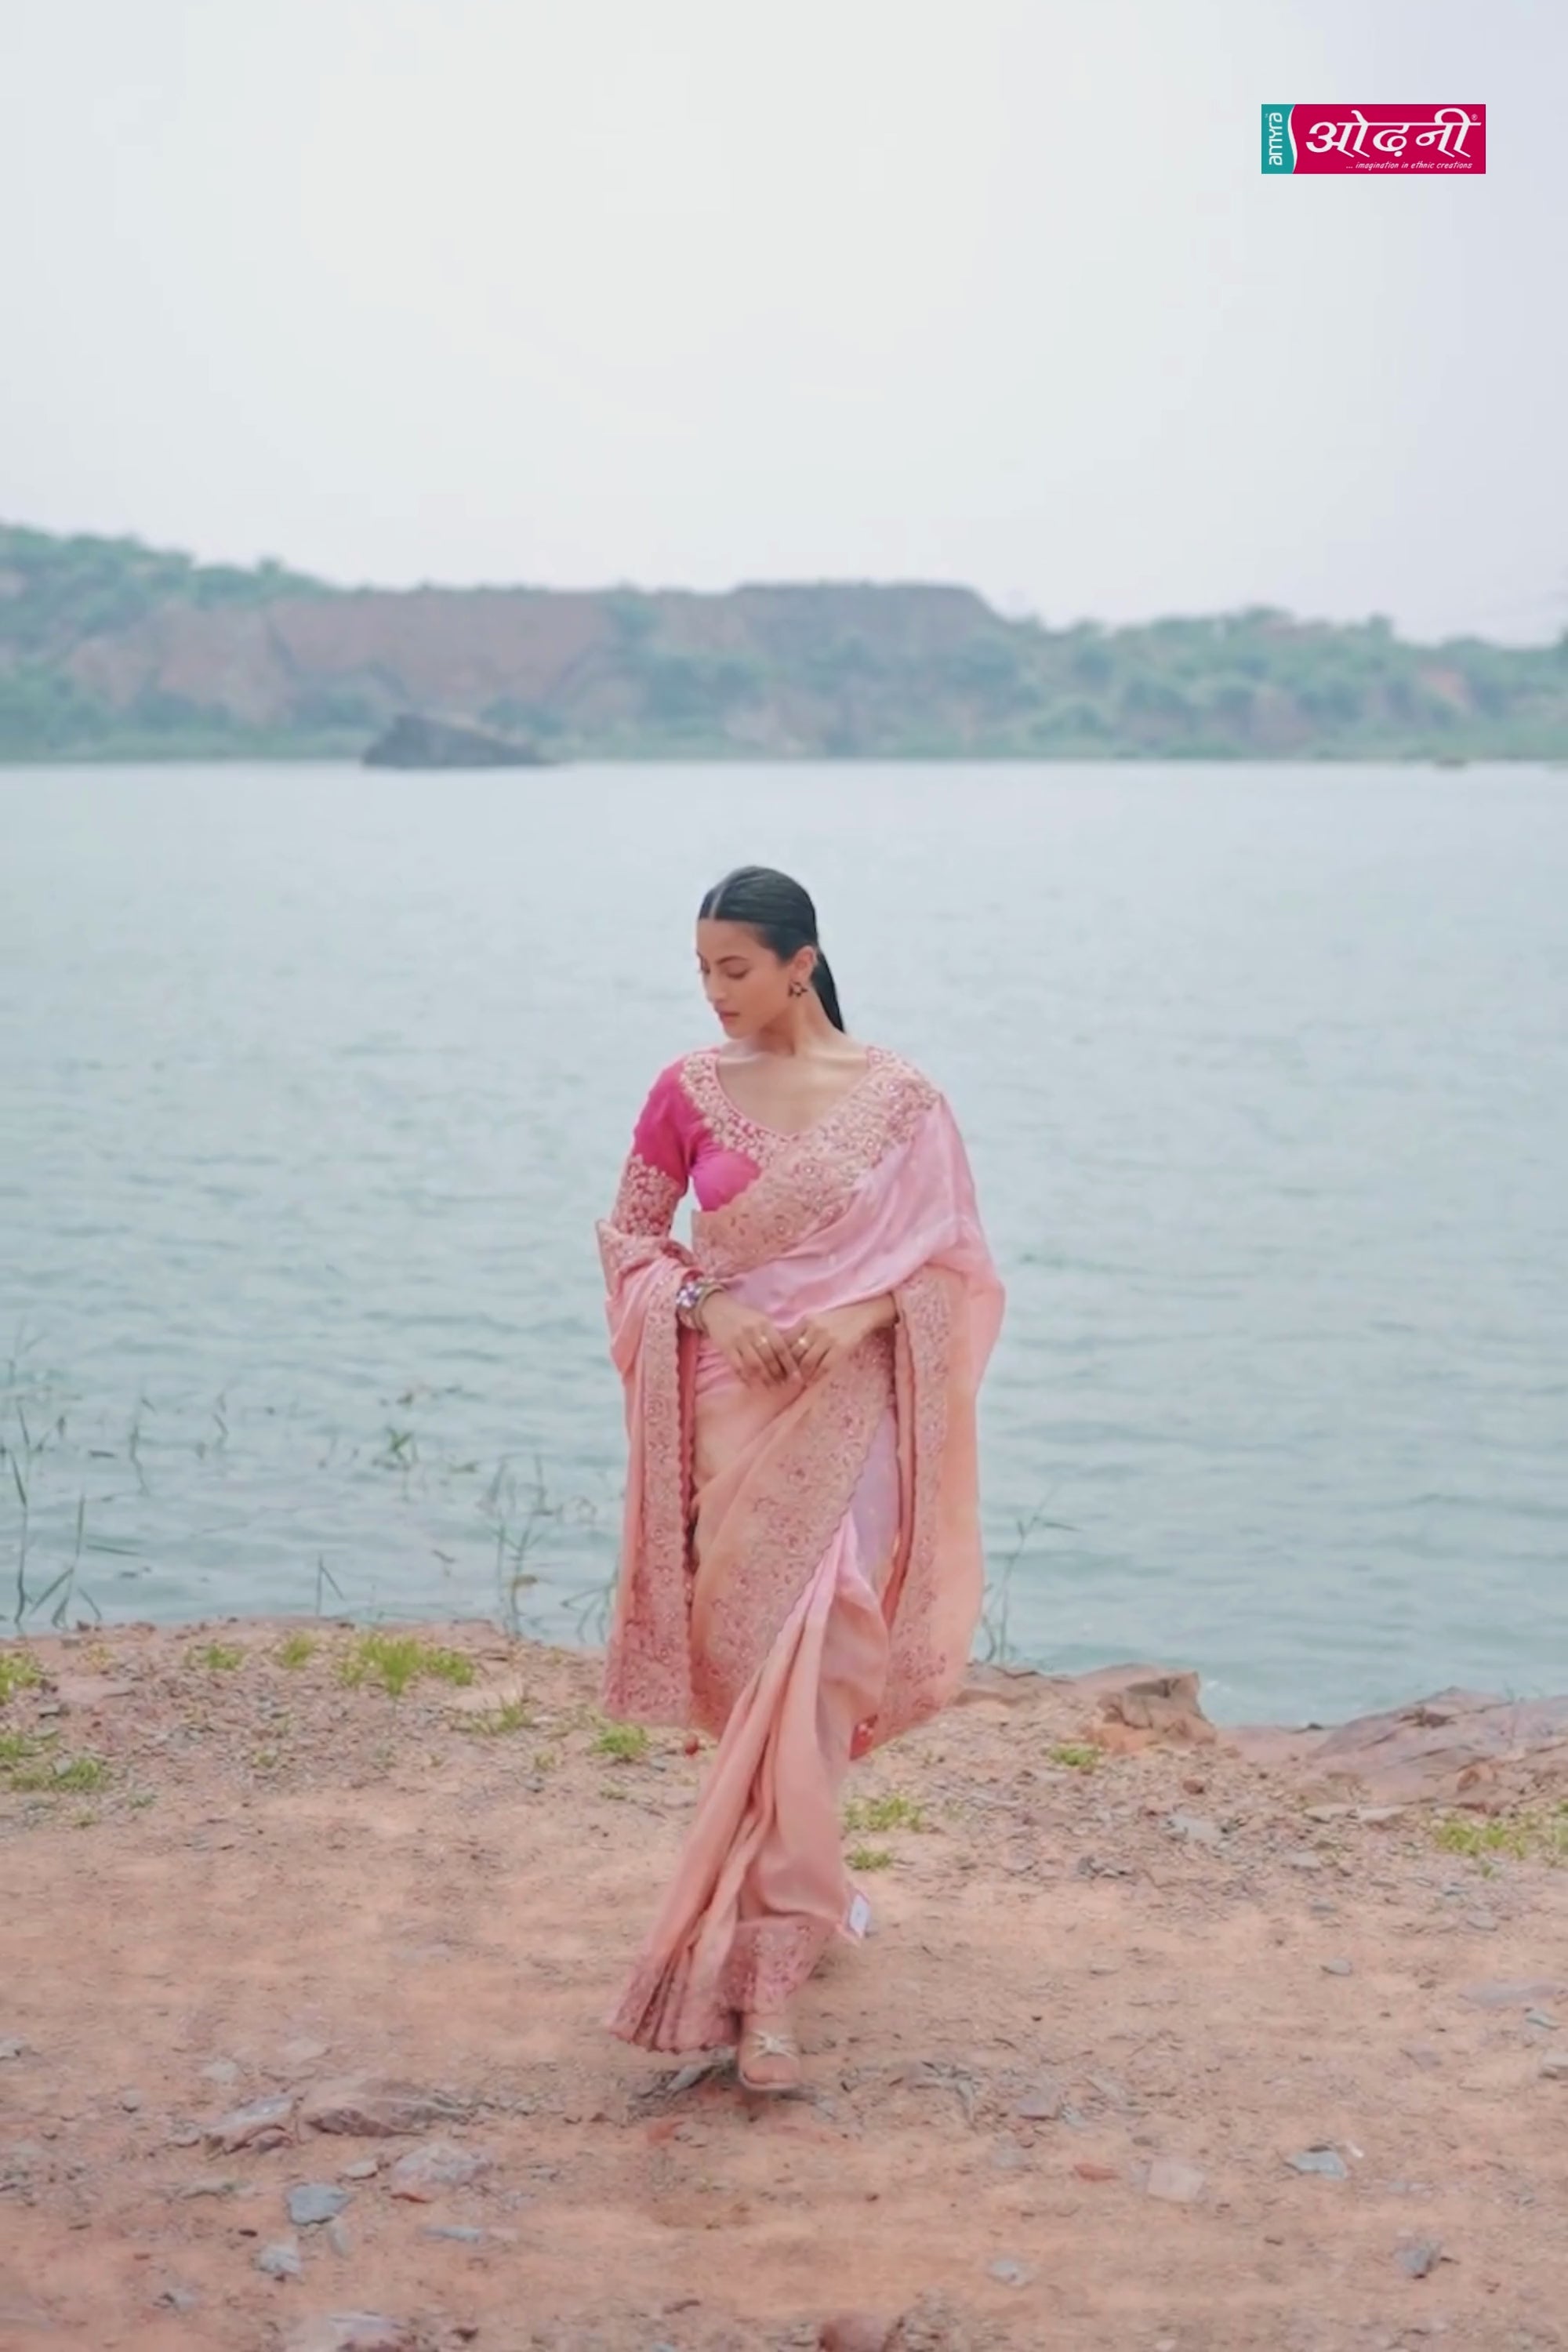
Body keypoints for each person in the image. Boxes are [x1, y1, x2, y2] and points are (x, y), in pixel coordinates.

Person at [596, 865, 1004, 2093]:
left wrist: (859, 1315)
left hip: (856, 1409)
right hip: (732, 1412)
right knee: (754, 1668)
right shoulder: (685, 1091)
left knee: (821, 1664)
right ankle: (810, 1882)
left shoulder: (903, 1104)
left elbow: (957, 1269)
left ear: (801, 963)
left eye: (737, 968)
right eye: (703, 970)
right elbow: (631, 1236)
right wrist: (710, 1313)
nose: (717, 994)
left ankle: (763, 1982)